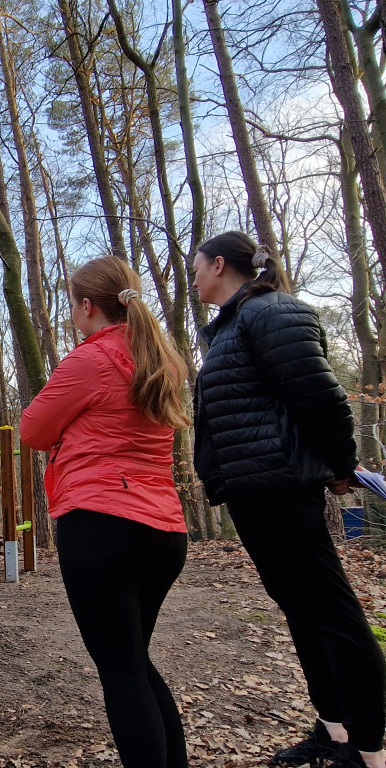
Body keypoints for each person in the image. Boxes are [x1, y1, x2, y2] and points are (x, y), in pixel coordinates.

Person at [191, 231, 385, 768]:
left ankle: (371, 751)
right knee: (301, 610)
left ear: (221, 265)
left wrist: (341, 467)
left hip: (281, 486)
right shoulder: (234, 325)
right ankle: (334, 730)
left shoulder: (273, 312)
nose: (195, 277)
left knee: (334, 614)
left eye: (198, 266)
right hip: (253, 491)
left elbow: (320, 397)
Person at [20, 256, 190, 768]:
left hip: (101, 525)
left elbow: (31, 430)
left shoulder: (90, 360)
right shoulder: (157, 357)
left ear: (87, 305)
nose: (72, 313)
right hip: (164, 530)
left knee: (122, 674)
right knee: (134, 664)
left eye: (72, 304)